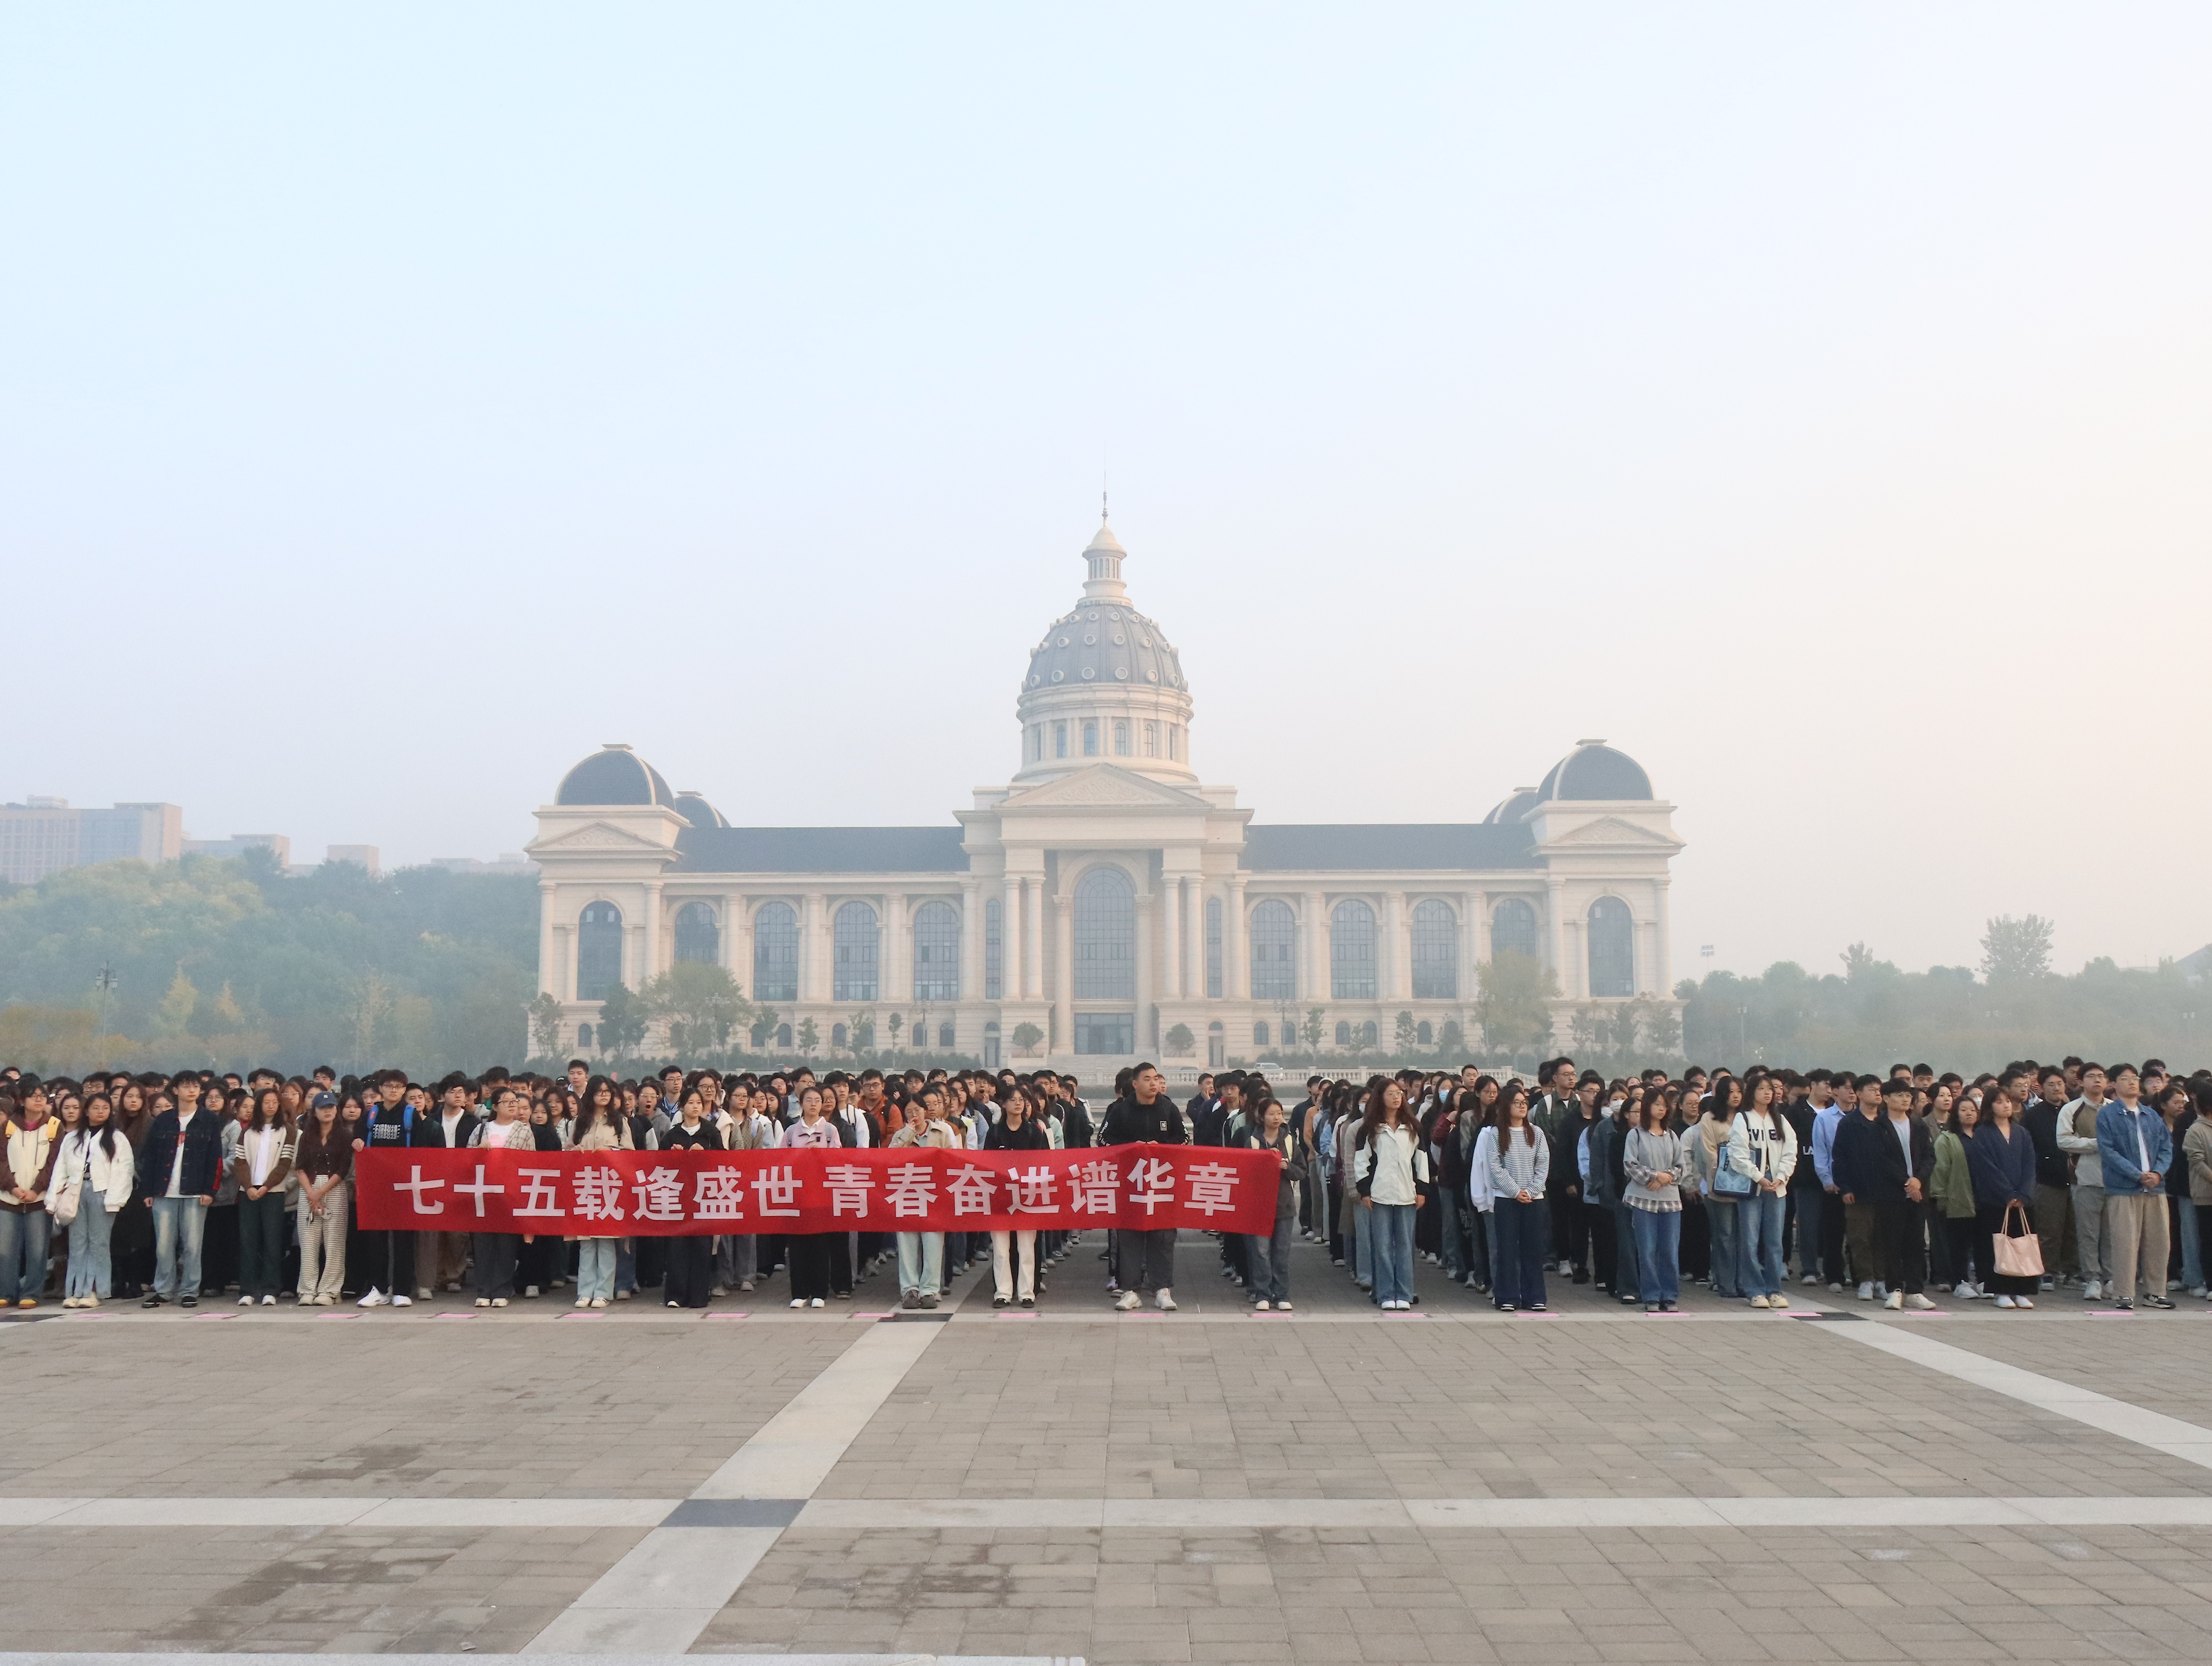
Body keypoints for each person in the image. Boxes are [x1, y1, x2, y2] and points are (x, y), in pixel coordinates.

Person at [1101, 1063, 1187, 1312]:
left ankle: (1162, 1289)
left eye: (1156, 1078)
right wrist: (1131, 1147)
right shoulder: (1121, 1110)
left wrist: (1163, 1148)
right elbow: (1104, 1139)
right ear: (1135, 1084)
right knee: (1130, 1237)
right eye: (1147, 1079)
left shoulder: (1168, 1108)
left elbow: (1183, 1138)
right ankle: (1131, 1291)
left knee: (1163, 1236)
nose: (1153, 1083)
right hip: (1131, 1184)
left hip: (1162, 1185)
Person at [138, 1074, 226, 1308]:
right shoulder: (164, 1120)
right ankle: (164, 1290)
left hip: (196, 1191)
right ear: (175, 1090)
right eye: (186, 1086)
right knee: (164, 1245)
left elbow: (215, 1158)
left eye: (196, 1086)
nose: (192, 1090)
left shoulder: (209, 1120)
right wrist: (147, 1191)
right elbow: (150, 1157)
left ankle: (189, 1291)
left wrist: (210, 1190)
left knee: (193, 1245)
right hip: (164, 1190)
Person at [2096, 1065, 2174, 1311]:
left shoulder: (2152, 1115)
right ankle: (2124, 1293)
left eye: (2135, 1078)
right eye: (2125, 1079)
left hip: (2155, 1188)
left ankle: (2155, 1292)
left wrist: (2158, 1173)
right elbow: (2109, 1151)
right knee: (2125, 1242)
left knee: (2159, 1242)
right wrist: (2137, 1175)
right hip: (2124, 1188)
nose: (2132, 1083)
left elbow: (2166, 1148)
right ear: (2114, 1084)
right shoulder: (2107, 1115)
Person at [1354, 1079, 1430, 1311]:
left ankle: (1405, 1293)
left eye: (1399, 1093)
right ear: (1380, 1097)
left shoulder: (1413, 1127)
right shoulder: (1369, 1129)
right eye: (1391, 1094)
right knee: (1383, 1246)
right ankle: (1386, 1293)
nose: (1396, 1098)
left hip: (1407, 1193)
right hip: (1380, 1194)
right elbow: (1361, 1162)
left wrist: (1422, 1189)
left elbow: (1421, 1160)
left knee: (1405, 1246)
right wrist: (1365, 1191)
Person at [1724, 1074, 1798, 1309]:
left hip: (1777, 1188)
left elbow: (1791, 1151)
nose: (1767, 1093)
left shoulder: (1781, 1120)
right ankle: (1754, 1290)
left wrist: (1782, 1176)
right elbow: (1737, 1154)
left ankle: (1774, 1289)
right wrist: (1758, 1177)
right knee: (1750, 1241)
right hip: (1752, 1188)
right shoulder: (1743, 1119)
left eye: (1770, 1089)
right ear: (1752, 1092)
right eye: (1762, 1088)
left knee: (1775, 1241)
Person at [1864, 1078, 1937, 1310]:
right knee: (1892, 1243)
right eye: (1900, 1095)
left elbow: (1929, 1157)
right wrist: (1907, 1182)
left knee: (1916, 1243)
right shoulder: (1879, 1127)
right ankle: (1894, 1289)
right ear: (1886, 1099)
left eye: (1908, 1096)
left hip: (1918, 1194)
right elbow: (1880, 1160)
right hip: (1891, 1194)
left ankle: (1915, 1290)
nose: (1906, 1100)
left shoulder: (1918, 1125)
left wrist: (1918, 1181)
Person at [1968, 1080, 2040, 1309]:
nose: (2006, 1105)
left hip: (2023, 1201)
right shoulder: (1983, 1134)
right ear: (1990, 1107)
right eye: (1999, 1102)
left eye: (2008, 1101)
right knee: (1999, 1247)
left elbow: (2030, 1165)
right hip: (1996, 1201)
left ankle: (2023, 1291)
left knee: (2022, 1244)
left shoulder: (2022, 1133)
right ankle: (2001, 1291)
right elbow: (1986, 1168)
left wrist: (2024, 1193)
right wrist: (2008, 1193)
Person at [56, 1094, 134, 1308]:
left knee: (98, 1243)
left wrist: (115, 1199)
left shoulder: (117, 1138)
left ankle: (94, 1291)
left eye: (105, 1108)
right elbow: (60, 1169)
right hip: (76, 1191)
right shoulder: (72, 1138)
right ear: (87, 1111)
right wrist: (53, 1200)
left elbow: (124, 1170)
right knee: (77, 1243)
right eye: (96, 1108)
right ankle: (75, 1291)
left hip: (103, 1192)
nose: (101, 1112)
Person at [568, 1075, 634, 1310]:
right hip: (585, 1186)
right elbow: (566, 1150)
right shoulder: (579, 1122)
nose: (604, 1095)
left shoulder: (620, 1122)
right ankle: (585, 1292)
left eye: (608, 1092)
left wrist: (611, 1151)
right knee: (586, 1243)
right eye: (600, 1091)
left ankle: (604, 1292)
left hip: (609, 1187)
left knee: (606, 1242)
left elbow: (630, 1153)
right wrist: (575, 1151)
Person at [983, 1084, 1050, 1307]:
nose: (1018, 1104)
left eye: (1022, 1100)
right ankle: (1003, 1293)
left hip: (1027, 1197)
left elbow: (1043, 1163)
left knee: (1027, 1248)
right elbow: (987, 1165)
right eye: (1013, 1100)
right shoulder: (995, 1132)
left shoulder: (1034, 1132)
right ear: (1004, 1104)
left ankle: (1027, 1293)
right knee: (1001, 1249)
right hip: (1001, 1198)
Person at [1485, 1085, 1550, 1313]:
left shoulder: (1537, 1133)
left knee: (1533, 1249)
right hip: (1506, 1199)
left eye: (1524, 1102)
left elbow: (1543, 1165)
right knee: (1507, 1249)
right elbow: (1495, 1167)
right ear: (1506, 1106)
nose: (1523, 1107)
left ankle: (1535, 1297)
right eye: (1517, 1103)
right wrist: (1515, 1191)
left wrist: (1531, 1191)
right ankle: (1507, 1296)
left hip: (1534, 1199)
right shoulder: (1496, 1134)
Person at [467, 1086, 534, 1307]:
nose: (513, 1105)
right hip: (484, 1194)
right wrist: (478, 1152)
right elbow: (465, 1160)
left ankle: (502, 1290)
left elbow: (530, 1163)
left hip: (510, 1194)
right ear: (495, 1107)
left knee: (506, 1245)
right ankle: (483, 1290)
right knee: (483, 1244)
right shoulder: (481, 1130)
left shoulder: (524, 1131)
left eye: (515, 1101)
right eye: (507, 1102)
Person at [890, 1088, 957, 1309]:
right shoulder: (900, 1135)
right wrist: (908, 1133)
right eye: (909, 1112)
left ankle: (929, 1290)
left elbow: (953, 1161)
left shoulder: (942, 1132)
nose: (914, 1115)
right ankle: (909, 1290)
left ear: (925, 1110)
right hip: (907, 1195)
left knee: (933, 1245)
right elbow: (890, 1159)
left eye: (918, 1110)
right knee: (907, 1246)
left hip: (934, 1196)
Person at [1238, 1093, 1305, 1310]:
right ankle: (1263, 1293)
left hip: (1284, 1206)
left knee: (1281, 1252)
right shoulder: (1253, 1142)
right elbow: (1245, 1172)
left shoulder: (1289, 1141)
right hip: (1259, 1207)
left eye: (1280, 1113)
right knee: (1261, 1252)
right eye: (1271, 1114)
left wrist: (1287, 1167)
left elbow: (1301, 1171)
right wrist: (1265, 1162)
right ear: (1261, 1117)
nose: (1277, 1118)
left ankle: (1282, 1294)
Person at [1621, 1089, 1684, 1312]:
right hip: (1643, 1199)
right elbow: (1630, 1165)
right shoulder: (1636, 1135)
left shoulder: (1672, 1135)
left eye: (1664, 1105)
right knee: (1647, 1250)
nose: (1661, 1108)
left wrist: (1666, 1178)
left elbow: (1681, 1166)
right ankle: (1651, 1296)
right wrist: (1655, 1176)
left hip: (1670, 1201)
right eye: (1656, 1104)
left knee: (1670, 1250)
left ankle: (1670, 1296)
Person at [233, 1088, 297, 1306]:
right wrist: (249, 1186)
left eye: (274, 1102)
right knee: (248, 1241)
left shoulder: (287, 1131)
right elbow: (240, 1161)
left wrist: (267, 1186)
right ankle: (247, 1290)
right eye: (266, 1102)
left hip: (274, 1193)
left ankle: (271, 1289)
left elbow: (285, 1163)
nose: (271, 1106)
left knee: (273, 1241)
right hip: (248, 1193)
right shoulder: (248, 1131)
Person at [659, 1088, 722, 1309]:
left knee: (702, 1247)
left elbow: (724, 1161)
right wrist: (673, 1155)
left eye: (699, 1103)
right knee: (677, 1246)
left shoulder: (711, 1133)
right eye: (691, 1103)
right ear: (682, 1107)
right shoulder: (673, 1135)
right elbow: (658, 1164)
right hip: (678, 1196)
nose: (696, 1107)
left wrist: (705, 1153)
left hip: (704, 1196)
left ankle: (699, 1295)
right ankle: (676, 1295)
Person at [0, 1086, 61, 1308]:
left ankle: (32, 1293)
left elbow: (54, 1163)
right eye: (33, 1096)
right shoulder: (8, 1126)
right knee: (6, 1250)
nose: (39, 1100)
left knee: (37, 1250)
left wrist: (36, 1189)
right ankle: (7, 1292)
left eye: (42, 1096)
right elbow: (2, 1161)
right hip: (9, 1198)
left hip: (39, 1199)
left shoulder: (54, 1126)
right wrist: (13, 1187)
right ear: (22, 1100)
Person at [783, 1086, 842, 1309]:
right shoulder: (791, 1132)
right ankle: (800, 1292)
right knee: (798, 1246)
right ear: (801, 1103)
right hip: (798, 1195)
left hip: (821, 1194)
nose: (814, 1104)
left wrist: (821, 1153)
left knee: (820, 1245)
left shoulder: (830, 1131)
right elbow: (781, 1161)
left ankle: (819, 1292)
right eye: (809, 1100)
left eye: (818, 1100)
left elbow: (839, 1159)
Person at [2058, 1065, 2113, 1300]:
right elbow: (2063, 1141)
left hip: (2115, 1181)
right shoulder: (2072, 1109)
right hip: (2085, 1178)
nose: (2097, 1081)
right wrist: (2096, 1144)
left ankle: (2111, 1278)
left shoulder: (2115, 1109)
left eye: (2101, 1077)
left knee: (2112, 1234)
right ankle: (2092, 1278)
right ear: (2081, 1082)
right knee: (2088, 1233)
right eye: (2091, 1077)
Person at [293, 1092, 353, 1305]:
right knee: (308, 1242)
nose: (328, 1111)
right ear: (315, 1111)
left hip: (334, 1188)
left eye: (331, 1107)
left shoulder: (345, 1136)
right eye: (323, 1108)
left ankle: (330, 1290)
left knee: (334, 1242)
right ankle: (307, 1289)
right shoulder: (306, 1136)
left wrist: (320, 1193)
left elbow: (343, 1170)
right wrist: (312, 1193)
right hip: (308, 1188)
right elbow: (300, 1167)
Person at [1929, 1092, 1983, 1298]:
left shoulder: (1984, 1136)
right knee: (1959, 1242)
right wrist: (1941, 1196)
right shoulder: (1947, 1139)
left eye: (1973, 1110)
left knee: (1982, 1242)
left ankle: (1984, 1280)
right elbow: (1940, 1170)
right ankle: (1960, 1280)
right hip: (1958, 1197)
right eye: (1963, 1110)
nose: (1969, 1113)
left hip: (1983, 1197)